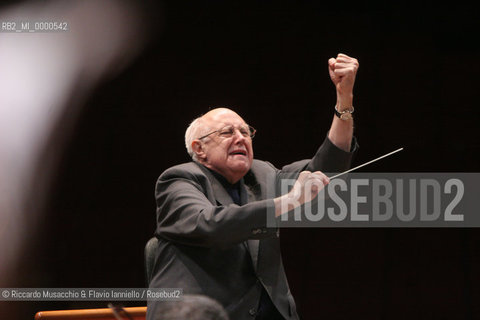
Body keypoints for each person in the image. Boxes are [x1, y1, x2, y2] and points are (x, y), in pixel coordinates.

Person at [147, 53, 359, 320]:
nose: (240, 138)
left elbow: (327, 170)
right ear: (199, 149)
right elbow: (210, 225)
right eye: (227, 132)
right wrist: (290, 201)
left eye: (245, 132)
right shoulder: (179, 179)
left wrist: (345, 98)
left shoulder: (263, 174)